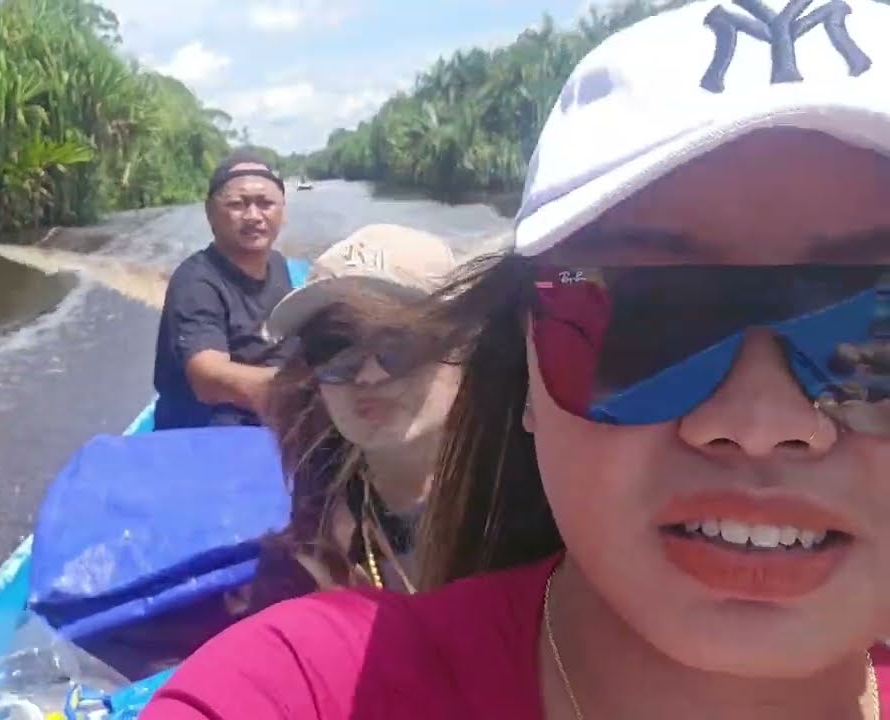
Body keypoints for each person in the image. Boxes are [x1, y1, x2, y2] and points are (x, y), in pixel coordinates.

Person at [141, 0, 890, 717]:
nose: (763, 422)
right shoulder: (318, 690)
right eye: (650, 320)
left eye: (874, 335)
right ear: (525, 364)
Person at [247, 224, 461, 607]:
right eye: (335, 347)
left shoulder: (534, 497)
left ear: (465, 346)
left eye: (399, 344)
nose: (368, 375)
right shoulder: (315, 532)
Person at [152, 150, 293, 430]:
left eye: (265, 203)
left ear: (282, 211)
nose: (253, 216)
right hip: (209, 435)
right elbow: (210, 380)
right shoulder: (196, 283)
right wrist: (305, 392)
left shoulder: (279, 265)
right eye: (238, 204)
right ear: (210, 213)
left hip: (275, 418)